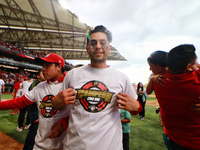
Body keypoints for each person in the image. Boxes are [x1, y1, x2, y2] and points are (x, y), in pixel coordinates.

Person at [52, 25, 142, 150]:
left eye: (102, 43)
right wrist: (55, 103)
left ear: (109, 49)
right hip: (75, 146)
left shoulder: (121, 77)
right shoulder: (73, 74)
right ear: (87, 49)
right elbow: (61, 106)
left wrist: (137, 107)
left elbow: (135, 107)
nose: (98, 46)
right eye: (93, 43)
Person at [0, 53, 70, 150]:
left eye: (47, 65)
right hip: (40, 145)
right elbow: (21, 101)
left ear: (58, 67)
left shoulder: (70, 84)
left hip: (64, 146)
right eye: (43, 66)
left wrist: (64, 122)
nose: (43, 69)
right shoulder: (40, 86)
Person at [151, 44, 200, 150]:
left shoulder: (157, 81)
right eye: (196, 62)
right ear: (189, 67)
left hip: (172, 139)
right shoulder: (197, 78)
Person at [23, 71, 45, 150]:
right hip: (34, 109)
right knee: (34, 129)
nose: (44, 73)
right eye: (42, 73)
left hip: (39, 109)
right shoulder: (36, 84)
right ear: (38, 76)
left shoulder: (44, 83)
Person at [146, 50, 168, 125]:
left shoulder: (175, 74)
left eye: (151, 66)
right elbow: (148, 92)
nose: (150, 69)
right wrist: (152, 79)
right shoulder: (154, 77)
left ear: (158, 66)